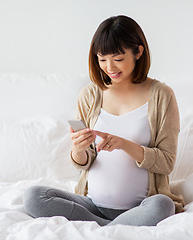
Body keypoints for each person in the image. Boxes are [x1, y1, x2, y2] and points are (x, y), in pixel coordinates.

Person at [23, 15, 184, 226]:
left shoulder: (162, 95)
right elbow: (83, 162)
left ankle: (97, 228)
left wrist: (124, 144)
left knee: (163, 206)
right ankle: (109, 228)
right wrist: (78, 150)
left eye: (118, 59)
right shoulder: (89, 95)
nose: (110, 67)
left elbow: (167, 162)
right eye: (102, 59)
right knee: (34, 197)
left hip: (141, 207)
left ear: (138, 52)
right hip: (92, 204)